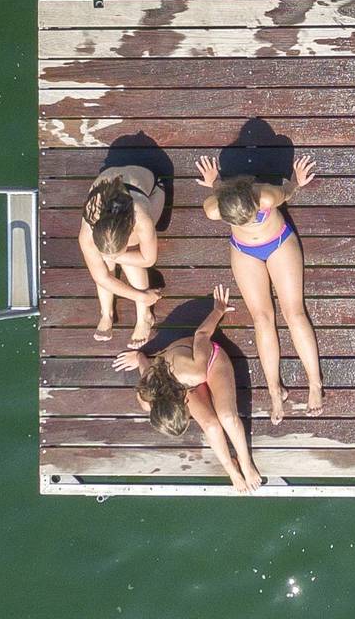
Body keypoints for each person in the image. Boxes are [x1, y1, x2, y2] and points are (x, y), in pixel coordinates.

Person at [195, 153, 326, 423]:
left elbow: (286, 192)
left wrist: (296, 181)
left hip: (278, 242)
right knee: (262, 319)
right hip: (244, 251)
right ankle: (274, 390)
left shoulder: (265, 197)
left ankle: (314, 384)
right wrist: (215, 182)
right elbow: (220, 193)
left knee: (294, 313)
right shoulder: (213, 208)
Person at [112, 285, 262, 492]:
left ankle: (245, 462)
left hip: (209, 361)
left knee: (227, 416)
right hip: (180, 384)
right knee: (210, 425)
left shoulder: (193, 372)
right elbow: (144, 364)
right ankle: (232, 469)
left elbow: (201, 335)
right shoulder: (147, 396)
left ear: (180, 402)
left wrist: (218, 309)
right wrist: (138, 356)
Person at [79, 165, 164, 347]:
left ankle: (144, 317)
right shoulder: (88, 228)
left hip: (152, 189)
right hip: (114, 182)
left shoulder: (140, 217)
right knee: (106, 260)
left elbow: (148, 259)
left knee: (126, 254)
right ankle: (106, 313)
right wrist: (141, 296)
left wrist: (113, 257)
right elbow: (100, 277)